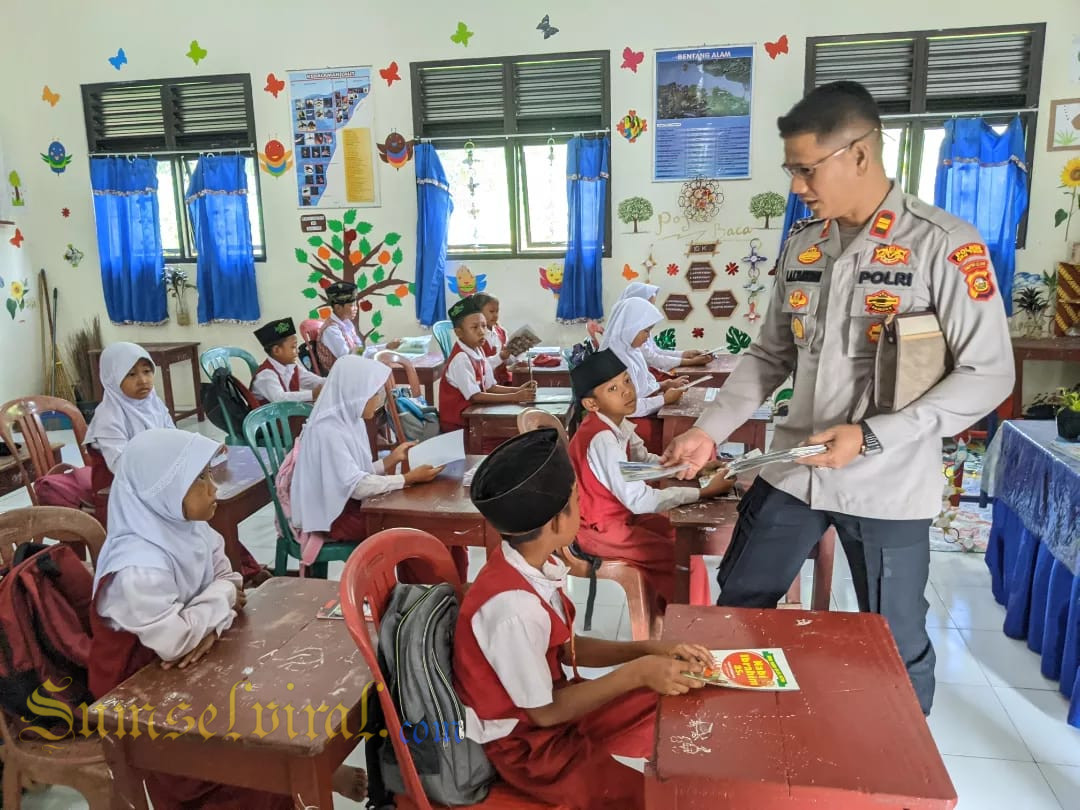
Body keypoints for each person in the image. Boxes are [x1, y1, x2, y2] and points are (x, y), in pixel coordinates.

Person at [659, 80, 1014, 714]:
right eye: (791, 169)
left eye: (805, 168)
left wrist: (875, 434)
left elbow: (989, 374)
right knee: (739, 607)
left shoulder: (943, 247)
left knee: (894, 637)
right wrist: (711, 428)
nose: (796, 185)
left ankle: (899, 773)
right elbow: (770, 354)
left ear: (859, 153)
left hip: (888, 479)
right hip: (794, 468)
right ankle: (736, 743)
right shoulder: (805, 245)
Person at [89, 429, 366, 807]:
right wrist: (216, 607)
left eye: (208, 475)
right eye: (199, 479)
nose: (213, 488)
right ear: (161, 491)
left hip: (190, 664)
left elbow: (230, 580)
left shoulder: (193, 531)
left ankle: (301, 773)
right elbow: (175, 641)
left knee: (275, 700)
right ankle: (301, 776)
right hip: (142, 696)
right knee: (237, 759)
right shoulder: (136, 567)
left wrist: (206, 616)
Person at [454, 428, 713, 810]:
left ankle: (684, 763)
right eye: (578, 500)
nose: (583, 508)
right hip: (528, 748)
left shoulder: (533, 566)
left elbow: (564, 649)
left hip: (555, 711)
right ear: (558, 522)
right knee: (644, 800)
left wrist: (653, 649)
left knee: (671, 695)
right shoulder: (512, 608)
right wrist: (638, 670)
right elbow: (544, 714)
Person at [567, 349, 732, 607]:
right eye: (612, 389)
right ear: (591, 404)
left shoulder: (615, 423)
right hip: (600, 531)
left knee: (681, 536)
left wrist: (691, 467)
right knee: (681, 558)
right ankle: (690, 624)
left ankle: (668, 612)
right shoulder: (602, 439)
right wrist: (701, 493)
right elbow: (640, 500)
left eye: (626, 380)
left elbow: (642, 461)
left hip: (620, 516)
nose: (626, 391)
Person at [283, 355, 466, 580]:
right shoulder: (327, 431)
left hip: (349, 501)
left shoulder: (351, 420)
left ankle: (451, 587)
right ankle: (426, 595)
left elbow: (356, 472)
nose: (379, 400)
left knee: (436, 523)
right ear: (355, 395)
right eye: (374, 394)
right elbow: (357, 486)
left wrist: (391, 460)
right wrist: (407, 479)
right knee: (416, 528)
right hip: (334, 515)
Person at [438, 297, 537, 438]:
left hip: (475, 417)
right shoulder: (461, 359)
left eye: (484, 326)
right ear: (459, 333)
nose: (481, 331)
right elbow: (475, 396)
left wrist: (519, 390)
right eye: (474, 327)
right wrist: (515, 396)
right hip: (459, 427)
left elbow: (490, 386)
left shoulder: (478, 350)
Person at [599, 297, 686, 452]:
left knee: (682, 424)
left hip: (641, 411)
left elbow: (641, 386)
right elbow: (625, 407)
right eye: (645, 331)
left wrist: (663, 385)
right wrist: (663, 399)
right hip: (626, 422)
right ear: (630, 328)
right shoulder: (614, 359)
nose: (648, 337)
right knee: (677, 433)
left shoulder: (631, 350)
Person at [616, 283, 711, 370]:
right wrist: (691, 362)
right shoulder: (630, 331)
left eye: (652, 305)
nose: (650, 309)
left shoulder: (642, 326)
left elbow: (656, 351)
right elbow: (652, 359)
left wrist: (686, 354)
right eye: (648, 305)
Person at [317, 281, 402, 372]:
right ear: (338, 308)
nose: (356, 308)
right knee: (384, 369)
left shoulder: (347, 324)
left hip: (353, 368)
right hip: (341, 376)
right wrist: (376, 353)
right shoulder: (331, 330)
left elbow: (359, 351)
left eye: (355, 305)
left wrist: (386, 347)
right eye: (351, 305)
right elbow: (347, 358)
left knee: (387, 365)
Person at [251, 317, 325, 404]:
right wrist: (312, 394)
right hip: (270, 416)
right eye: (293, 347)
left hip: (286, 412)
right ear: (276, 350)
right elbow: (279, 398)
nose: (297, 351)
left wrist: (333, 381)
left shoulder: (291, 366)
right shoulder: (266, 375)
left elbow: (311, 380)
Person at [471, 292, 512, 385]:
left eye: (497, 311)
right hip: (485, 385)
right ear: (478, 313)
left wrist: (517, 356)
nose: (495, 315)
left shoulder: (501, 332)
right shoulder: (473, 338)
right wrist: (500, 357)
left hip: (504, 380)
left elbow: (508, 361)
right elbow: (479, 367)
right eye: (491, 312)